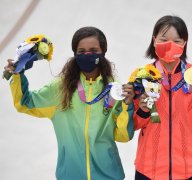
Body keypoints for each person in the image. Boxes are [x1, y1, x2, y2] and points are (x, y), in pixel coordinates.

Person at [4, 26, 135, 180]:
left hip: (108, 175)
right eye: (81, 51)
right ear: (75, 54)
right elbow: (24, 103)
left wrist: (127, 105)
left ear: (103, 51)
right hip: (70, 175)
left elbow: (123, 136)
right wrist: (18, 75)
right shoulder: (60, 88)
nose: (87, 55)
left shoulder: (114, 89)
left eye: (93, 50)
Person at [132, 15, 192, 180]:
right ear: (154, 40)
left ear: (184, 43)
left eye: (177, 41)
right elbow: (133, 125)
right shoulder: (141, 77)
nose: (170, 45)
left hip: (188, 171)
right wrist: (142, 110)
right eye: (164, 40)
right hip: (148, 171)